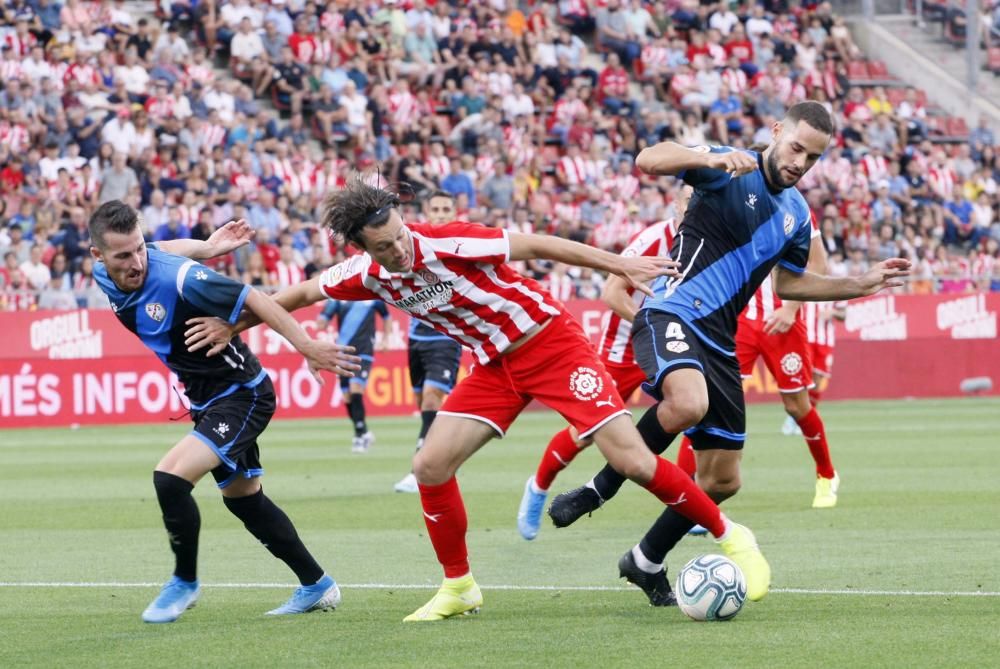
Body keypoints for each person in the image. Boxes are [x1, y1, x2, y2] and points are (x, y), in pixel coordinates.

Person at [184, 175, 772, 621]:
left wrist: (617, 262)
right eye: (385, 247)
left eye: (399, 236)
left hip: (552, 345)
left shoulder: (449, 240)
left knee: (632, 461)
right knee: (429, 464)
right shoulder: (367, 273)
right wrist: (235, 327)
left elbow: (540, 244)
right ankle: (459, 588)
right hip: (495, 367)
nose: (400, 250)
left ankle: (731, 537)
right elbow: (306, 290)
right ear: (362, 246)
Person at [547, 102, 910, 606]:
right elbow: (649, 159)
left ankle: (645, 559)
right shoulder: (728, 165)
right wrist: (711, 160)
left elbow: (789, 283)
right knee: (688, 403)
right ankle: (597, 490)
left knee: (722, 479)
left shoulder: (797, 215)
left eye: (813, 157)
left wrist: (861, 283)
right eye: (796, 148)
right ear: (776, 131)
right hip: (673, 311)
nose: (801, 162)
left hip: (718, 341)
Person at [87, 201, 359, 624]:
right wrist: (207, 246)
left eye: (139, 249)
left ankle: (184, 581)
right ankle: (317, 585)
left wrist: (306, 346)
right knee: (245, 502)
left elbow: (256, 299)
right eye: (124, 255)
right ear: (98, 256)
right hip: (206, 400)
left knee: (170, 478)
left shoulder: (180, 280)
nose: (137, 260)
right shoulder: (106, 272)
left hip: (242, 394)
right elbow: (164, 245)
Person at [516, 186, 689, 541]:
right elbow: (612, 294)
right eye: (690, 200)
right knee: (585, 433)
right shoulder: (654, 239)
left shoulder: (706, 240)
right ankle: (538, 487)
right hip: (624, 349)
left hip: (669, 343)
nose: (697, 206)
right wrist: (653, 326)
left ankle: (685, 509)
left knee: (694, 412)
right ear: (675, 203)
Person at [393, 191, 464, 494]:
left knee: (434, 398)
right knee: (424, 404)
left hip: (447, 338)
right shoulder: (412, 241)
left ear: (455, 212)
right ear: (426, 211)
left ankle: (418, 468)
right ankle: (440, 457)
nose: (440, 214)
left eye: (446, 209)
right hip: (416, 337)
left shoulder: (462, 244)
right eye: (435, 209)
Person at [315, 297, 391, 453]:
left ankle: (359, 435)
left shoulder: (371, 297)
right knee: (347, 396)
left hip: (364, 351)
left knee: (356, 389)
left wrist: (385, 339)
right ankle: (364, 432)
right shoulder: (338, 299)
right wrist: (325, 311)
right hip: (343, 352)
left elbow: (386, 317)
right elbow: (321, 323)